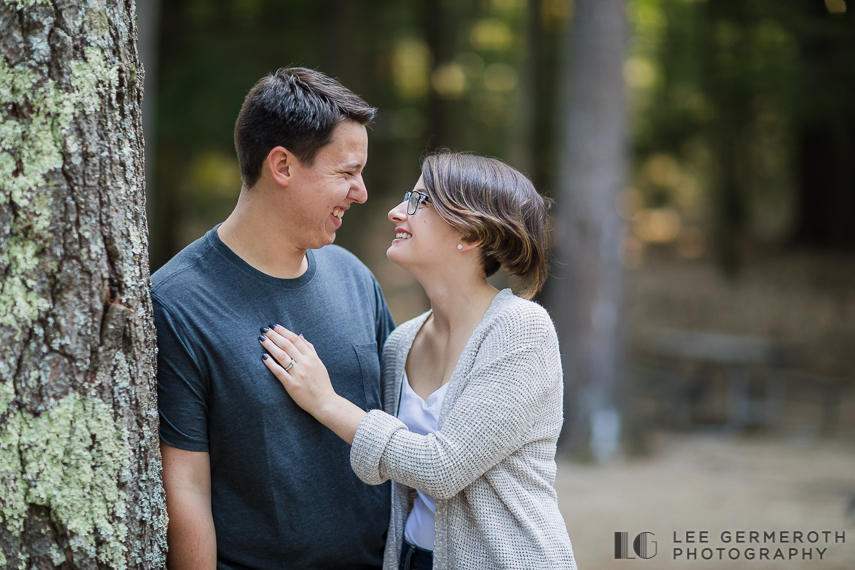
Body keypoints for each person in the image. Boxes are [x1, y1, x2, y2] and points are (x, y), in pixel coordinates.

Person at [257, 152, 577, 570]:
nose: (395, 212)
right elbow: (391, 471)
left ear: (470, 234)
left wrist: (326, 402)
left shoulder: (520, 330)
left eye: (419, 201)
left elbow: (443, 467)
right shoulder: (401, 342)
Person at [152, 67, 395, 570]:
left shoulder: (353, 277)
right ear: (282, 165)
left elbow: (396, 431)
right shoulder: (176, 303)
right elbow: (185, 487)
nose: (362, 192)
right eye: (347, 173)